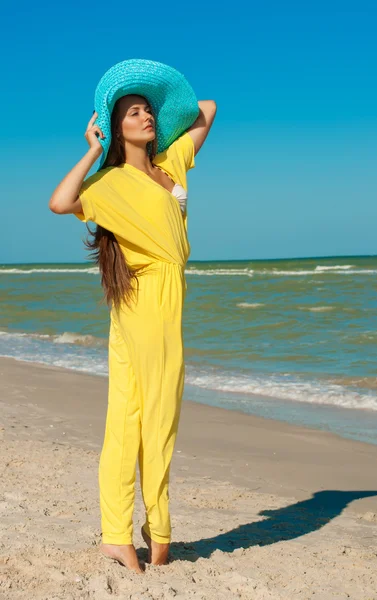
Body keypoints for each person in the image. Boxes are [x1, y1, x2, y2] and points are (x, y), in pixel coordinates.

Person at [49, 59, 217, 573]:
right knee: (154, 414)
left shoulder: (172, 163)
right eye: (134, 112)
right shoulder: (111, 180)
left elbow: (205, 109)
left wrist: (160, 118)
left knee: (131, 414)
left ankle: (121, 532)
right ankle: (152, 532)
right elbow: (60, 202)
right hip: (146, 301)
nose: (145, 116)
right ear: (115, 126)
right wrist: (95, 147)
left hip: (161, 297)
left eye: (148, 110)